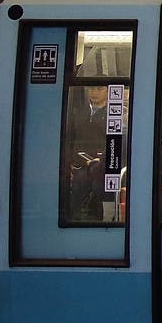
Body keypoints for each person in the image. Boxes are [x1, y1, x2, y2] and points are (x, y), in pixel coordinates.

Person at [65, 85, 110, 222]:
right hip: (80, 168)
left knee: (102, 212)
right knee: (76, 209)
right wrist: (69, 163)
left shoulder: (114, 114)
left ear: (108, 91)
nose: (94, 92)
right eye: (91, 88)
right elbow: (69, 140)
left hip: (102, 170)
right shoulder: (78, 113)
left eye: (99, 88)